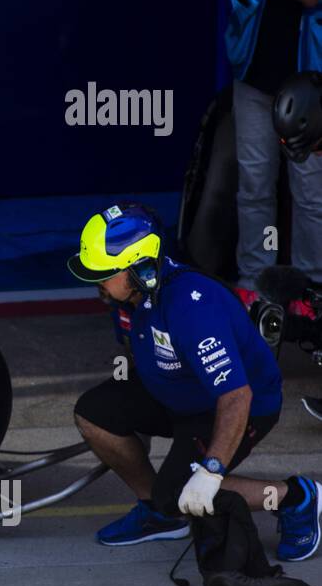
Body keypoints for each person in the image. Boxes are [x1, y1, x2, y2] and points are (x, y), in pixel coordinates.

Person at [68, 203, 322, 561]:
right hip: (180, 393)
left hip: (236, 406)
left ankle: (295, 496)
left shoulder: (192, 307)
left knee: (181, 490)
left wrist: (211, 471)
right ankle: (160, 513)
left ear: (140, 269)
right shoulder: (131, 294)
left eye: (105, 274)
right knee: (95, 412)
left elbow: (236, 394)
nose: (97, 283)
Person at [201, 0, 322, 312]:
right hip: (254, 76)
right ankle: (256, 283)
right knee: (254, 186)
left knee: (311, 193)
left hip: (311, 87)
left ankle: (310, 291)